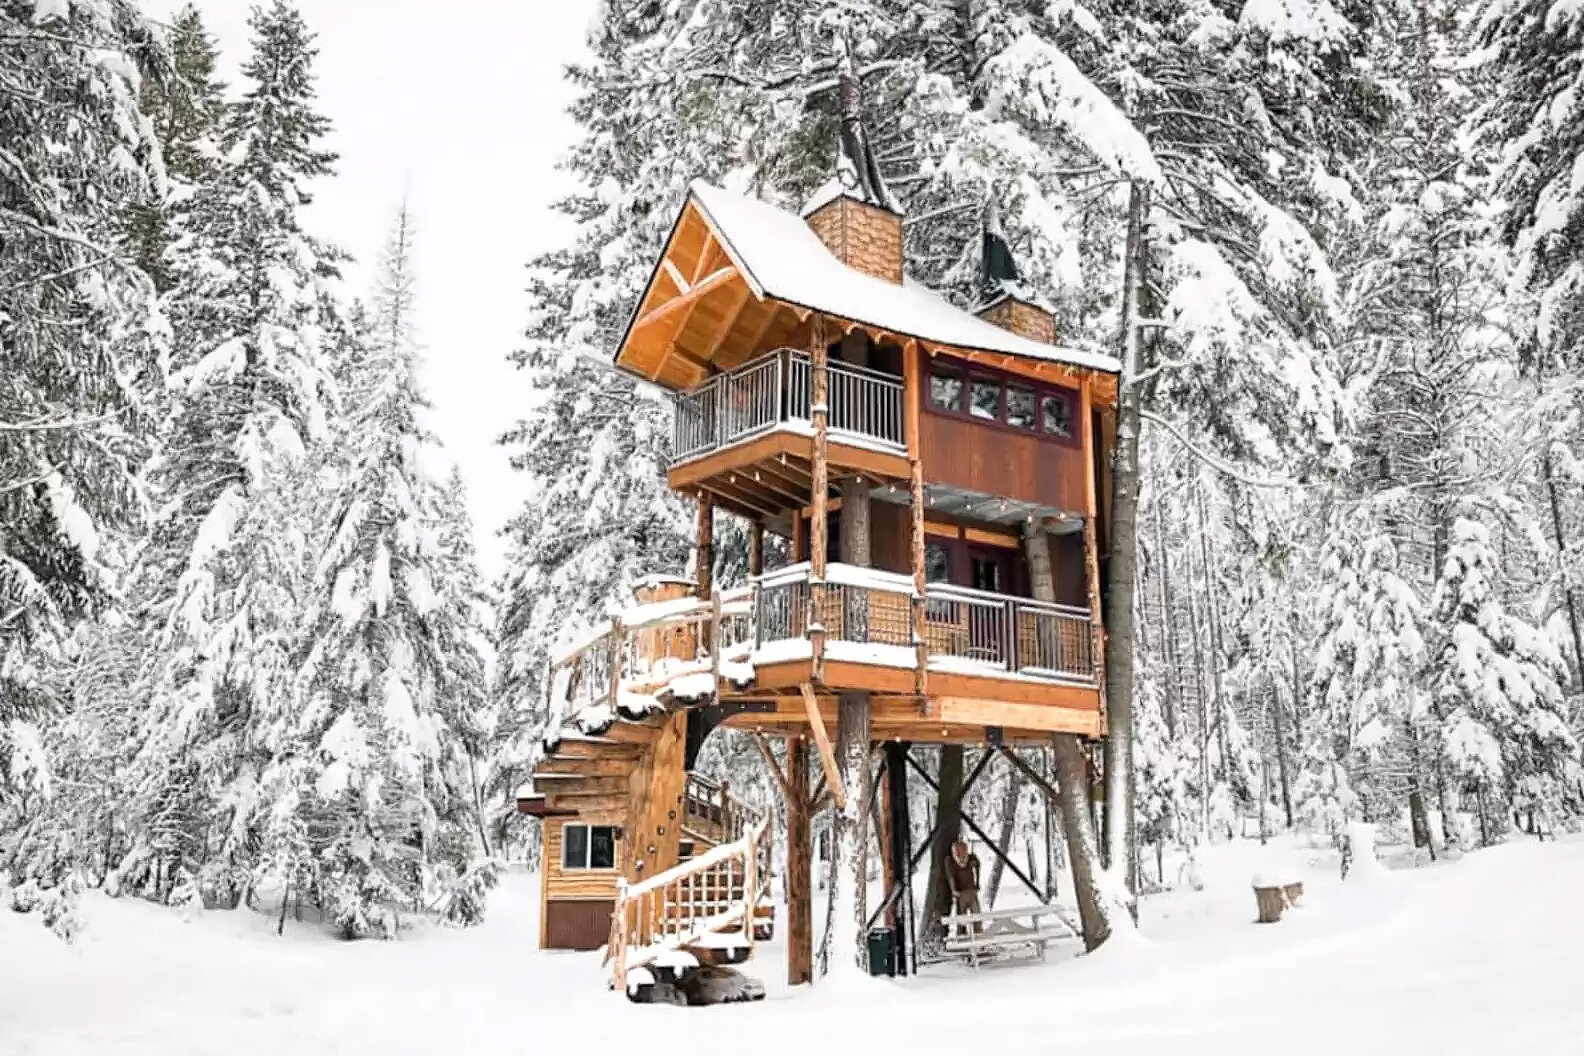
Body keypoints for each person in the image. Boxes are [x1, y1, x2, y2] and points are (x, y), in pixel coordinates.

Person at [945, 839, 981, 935]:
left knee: (974, 917)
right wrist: (954, 890)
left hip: (968, 891)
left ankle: (977, 935)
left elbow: (977, 866)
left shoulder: (970, 858)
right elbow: (951, 876)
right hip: (963, 892)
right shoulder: (951, 861)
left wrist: (977, 883)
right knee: (964, 918)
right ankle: (964, 935)